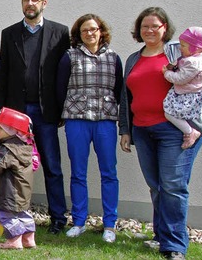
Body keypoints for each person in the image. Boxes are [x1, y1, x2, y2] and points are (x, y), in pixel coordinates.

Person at [119, 7, 202, 260]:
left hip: (176, 130)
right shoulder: (133, 59)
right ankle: (161, 236)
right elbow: (126, 98)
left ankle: (174, 246)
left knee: (173, 186)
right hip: (142, 129)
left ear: (165, 28)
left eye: (155, 26)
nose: (149, 30)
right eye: (144, 26)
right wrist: (125, 130)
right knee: (157, 186)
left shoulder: (178, 52)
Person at [0, 0, 70, 234]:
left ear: (43, 3)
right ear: (21, 3)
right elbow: (3, 74)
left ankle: (58, 218)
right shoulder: (9, 33)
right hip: (17, 113)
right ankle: (13, 216)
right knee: (14, 166)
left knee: (52, 166)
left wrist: (62, 110)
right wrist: (0, 113)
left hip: (45, 111)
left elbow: (64, 75)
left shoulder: (60, 33)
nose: (30, 3)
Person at [56, 14, 122, 243]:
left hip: (105, 120)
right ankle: (79, 221)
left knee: (109, 173)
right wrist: (61, 117)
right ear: (79, 34)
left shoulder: (114, 58)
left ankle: (110, 224)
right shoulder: (69, 56)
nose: (90, 34)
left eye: (93, 29)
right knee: (78, 173)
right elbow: (60, 87)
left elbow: (120, 90)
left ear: (101, 31)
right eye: (85, 30)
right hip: (77, 120)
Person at [0, 107, 37, 249]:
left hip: (9, 192)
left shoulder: (8, 150)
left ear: (11, 130)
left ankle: (14, 241)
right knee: (22, 214)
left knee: (5, 215)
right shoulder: (24, 147)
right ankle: (29, 240)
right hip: (22, 192)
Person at [162, 27, 202, 149]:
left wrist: (166, 73)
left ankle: (190, 132)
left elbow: (180, 78)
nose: (180, 48)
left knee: (169, 113)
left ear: (196, 48)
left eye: (184, 46)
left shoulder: (193, 63)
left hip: (188, 94)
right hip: (197, 92)